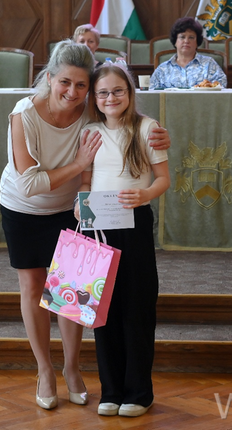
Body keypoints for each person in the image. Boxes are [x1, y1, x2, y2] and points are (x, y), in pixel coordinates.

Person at [0, 41, 170, 411]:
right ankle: (45, 371)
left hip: (73, 209)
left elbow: (128, 124)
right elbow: (28, 183)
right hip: (25, 207)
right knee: (33, 286)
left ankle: (72, 368)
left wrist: (158, 135)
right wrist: (78, 166)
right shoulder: (24, 113)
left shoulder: (90, 112)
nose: (72, 92)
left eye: (81, 85)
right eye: (65, 82)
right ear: (49, 78)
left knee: (72, 291)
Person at [76, 61, 170, 418]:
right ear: (94, 98)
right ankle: (111, 391)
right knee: (102, 309)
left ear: (130, 93)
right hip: (98, 225)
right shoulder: (90, 132)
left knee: (136, 306)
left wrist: (144, 195)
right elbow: (86, 180)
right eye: (103, 93)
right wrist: (80, 203)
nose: (110, 98)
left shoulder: (147, 128)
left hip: (134, 223)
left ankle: (139, 393)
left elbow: (163, 179)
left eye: (118, 90)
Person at [150, 17, 227, 89]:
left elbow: (221, 86)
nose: (186, 41)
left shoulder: (209, 64)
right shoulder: (162, 69)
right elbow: (152, 92)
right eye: (182, 37)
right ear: (175, 41)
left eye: (191, 37)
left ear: (197, 42)